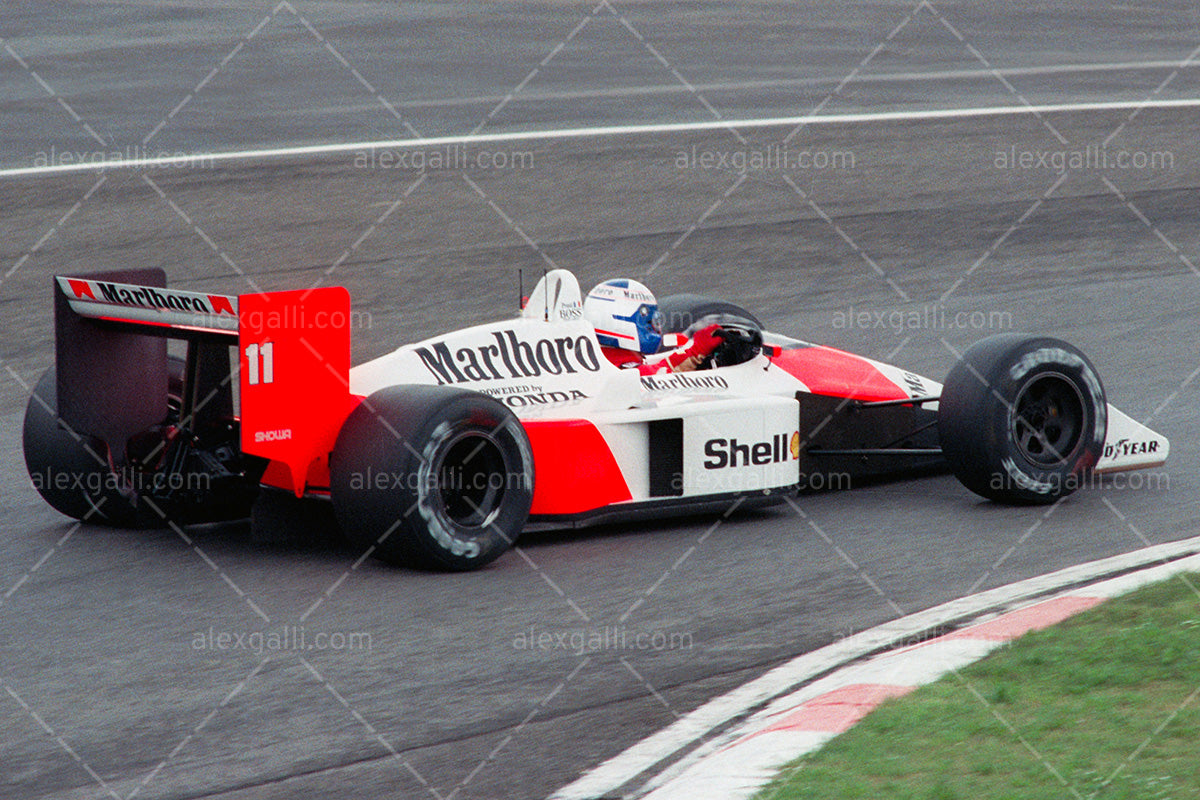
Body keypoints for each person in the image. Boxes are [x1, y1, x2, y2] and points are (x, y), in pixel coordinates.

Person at [583, 279, 723, 375]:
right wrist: (696, 351)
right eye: (648, 321)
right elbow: (655, 375)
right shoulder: (626, 372)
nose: (654, 327)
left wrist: (693, 350)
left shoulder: (597, 360)